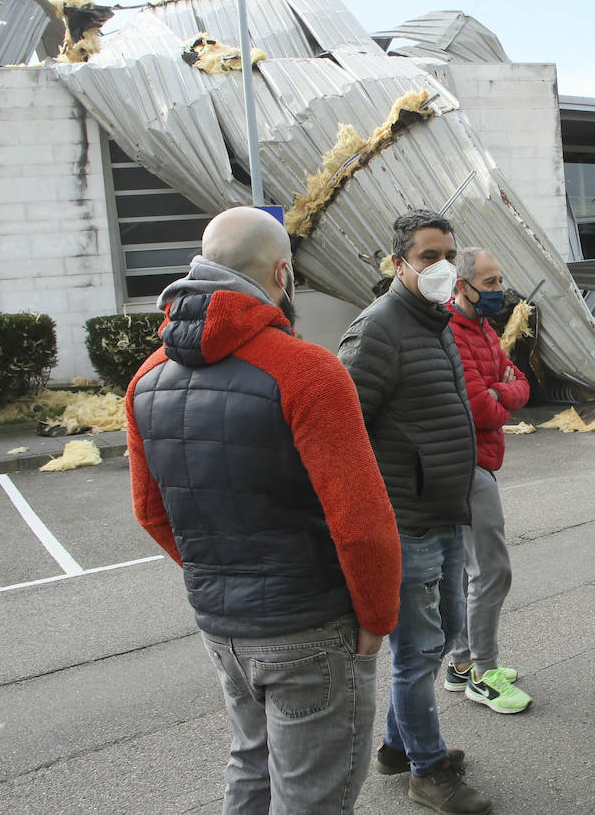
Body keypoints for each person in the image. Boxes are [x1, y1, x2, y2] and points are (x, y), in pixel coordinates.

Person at [125, 206, 402, 813]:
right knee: (312, 793)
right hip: (310, 627)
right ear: (282, 273)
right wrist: (376, 620)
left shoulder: (146, 378)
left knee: (252, 764)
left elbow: (151, 512)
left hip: (222, 627)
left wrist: (223, 576)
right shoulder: (306, 370)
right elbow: (362, 524)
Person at [338, 209, 490, 815]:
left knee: (447, 632)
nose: (442, 267)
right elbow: (343, 432)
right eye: (428, 256)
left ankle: (398, 748)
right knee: (417, 651)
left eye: (448, 255)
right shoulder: (377, 330)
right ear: (398, 263)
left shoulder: (437, 322)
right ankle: (427, 771)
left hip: (445, 512)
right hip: (405, 520)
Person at [442, 247, 534, 714]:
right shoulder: (451, 335)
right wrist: (501, 390)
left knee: (465, 570)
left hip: (476, 460)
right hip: (465, 465)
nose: (500, 291)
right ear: (462, 286)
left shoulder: (481, 328)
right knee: (492, 570)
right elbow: (481, 406)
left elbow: (519, 382)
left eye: (500, 280)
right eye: (491, 282)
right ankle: (483, 673)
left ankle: (462, 663)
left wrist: (503, 387)